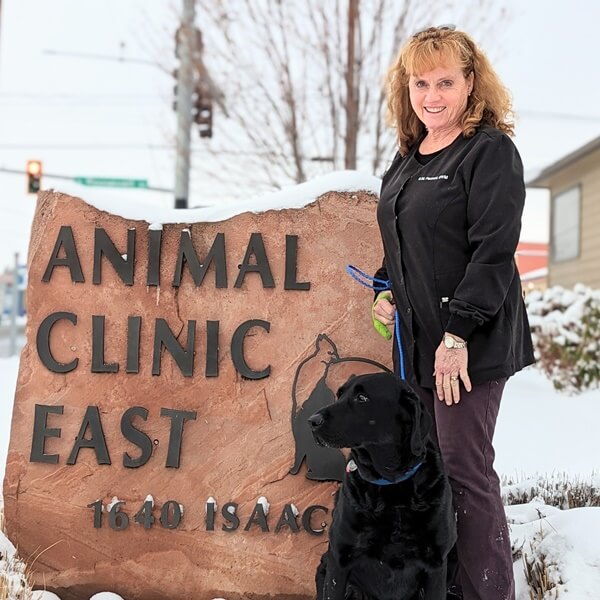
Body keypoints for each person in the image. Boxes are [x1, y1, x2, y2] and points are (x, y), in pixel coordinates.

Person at [371, 26, 535, 600]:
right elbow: (400, 245)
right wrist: (384, 290)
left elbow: (493, 250)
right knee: (433, 473)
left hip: (468, 345)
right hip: (419, 346)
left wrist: (458, 333)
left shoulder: (488, 152)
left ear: (472, 84)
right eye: (420, 82)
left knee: (465, 472)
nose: (432, 95)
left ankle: (490, 593)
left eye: (446, 81)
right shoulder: (408, 161)